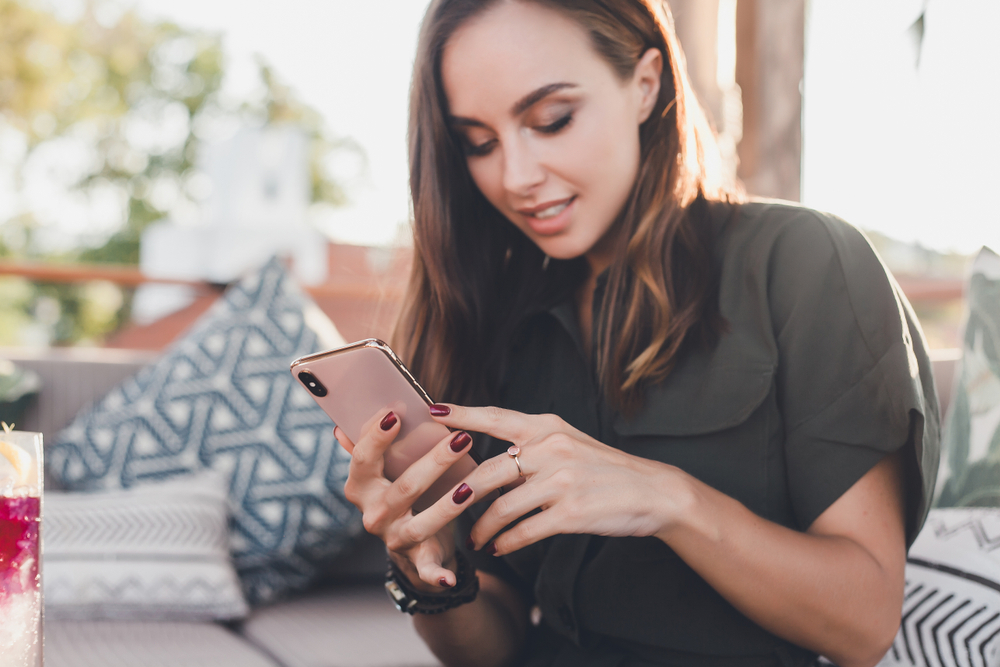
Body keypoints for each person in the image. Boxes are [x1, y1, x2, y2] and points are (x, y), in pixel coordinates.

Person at [333, 1, 940, 665]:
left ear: (646, 82)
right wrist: (430, 576)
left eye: (551, 120)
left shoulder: (802, 263)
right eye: (479, 142)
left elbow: (865, 618)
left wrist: (666, 498)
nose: (516, 177)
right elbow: (494, 643)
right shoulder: (499, 319)